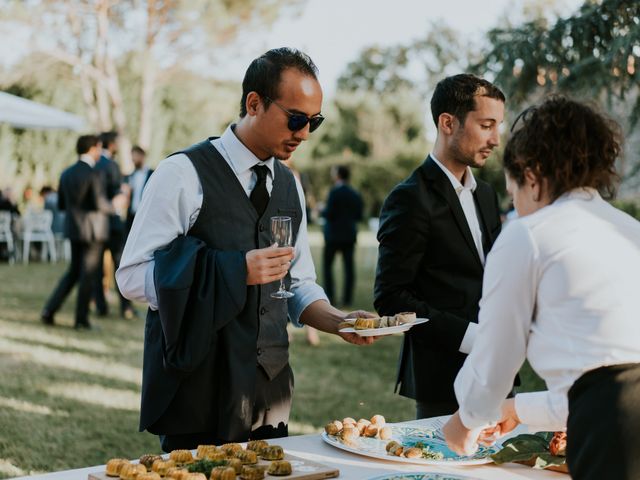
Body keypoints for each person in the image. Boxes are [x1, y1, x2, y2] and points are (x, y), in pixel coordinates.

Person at [116, 47, 375, 451]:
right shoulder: (181, 175)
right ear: (254, 103)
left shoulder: (290, 185)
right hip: (198, 385)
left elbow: (298, 281)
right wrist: (234, 270)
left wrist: (339, 320)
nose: (305, 133)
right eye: (296, 119)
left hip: (267, 392)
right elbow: (131, 277)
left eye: (315, 122)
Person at [442, 97, 640, 480]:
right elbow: (605, 370)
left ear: (531, 174)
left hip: (616, 430)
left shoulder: (527, 235)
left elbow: (497, 354)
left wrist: (467, 419)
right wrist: (518, 409)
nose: (514, 202)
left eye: (512, 190)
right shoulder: (629, 230)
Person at [374, 74, 505, 419]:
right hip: (442, 378)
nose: (496, 139)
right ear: (448, 122)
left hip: (497, 373)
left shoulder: (487, 195)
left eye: (498, 126)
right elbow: (391, 297)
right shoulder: (409, 198)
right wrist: (473, 337)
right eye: (487, 125)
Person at [41, 135, 114, 329]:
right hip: (93, 231)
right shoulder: (95, 173)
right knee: (88, 275)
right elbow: (100, 204)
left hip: (73, 229)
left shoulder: (66, 173)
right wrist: (115, 206)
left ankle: (49, 310)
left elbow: (62, 205)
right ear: (92, 149)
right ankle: (81, 320)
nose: (100, 152)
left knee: (73, 272)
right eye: (98, 148)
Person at [94, 131, 134, 319]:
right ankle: (125, 306)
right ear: (111, 144)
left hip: (95, 224)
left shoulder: (93, 164)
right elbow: (119, 196)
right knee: (121, 265)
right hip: (113, 224)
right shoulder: (111, 165)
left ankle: (100, 306)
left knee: (95, 266)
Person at [322, 165, 363, 307]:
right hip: (349, 236)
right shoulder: (355, 193)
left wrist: (322, 210)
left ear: (338, 175)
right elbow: (359, 215)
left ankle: (330, 296)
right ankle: (347, 298)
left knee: (327, 267)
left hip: (333, 236)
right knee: (349, 268)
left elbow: (329, 213)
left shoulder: (334, 192)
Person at [124, 145, 153, 234]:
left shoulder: (153, 174)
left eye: (135, 156)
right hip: (131, 216)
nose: (133, 159)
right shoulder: (130, 176)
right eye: (132, 156)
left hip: (145, 217)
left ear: (142, 156)